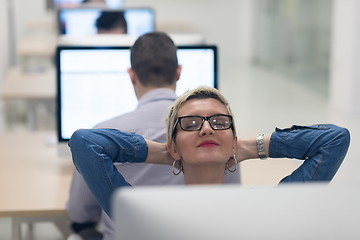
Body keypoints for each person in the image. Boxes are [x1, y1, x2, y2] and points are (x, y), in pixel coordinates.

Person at [69, 86, 350, 218]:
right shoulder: (145, 212)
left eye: (219, 123)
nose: (206, 130)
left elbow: (334, 140)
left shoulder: (267, 209)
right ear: (173, 144)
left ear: (234, 141)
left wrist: (251, 147)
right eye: (190, 124)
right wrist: (164, 152)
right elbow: (85, 143)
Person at [66, 34, 240, 240]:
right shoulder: (218, 138)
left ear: (132, 75)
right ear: (178, 72)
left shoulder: (103, 137)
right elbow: (229, 199)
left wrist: (152, 153)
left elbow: (80, 213)